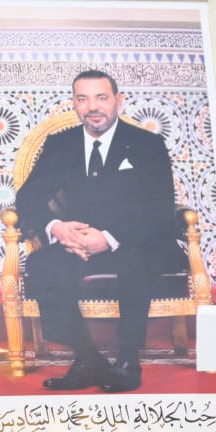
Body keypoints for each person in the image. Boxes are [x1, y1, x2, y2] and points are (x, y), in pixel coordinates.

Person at [15, 69, 185, 393]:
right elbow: (28, 198)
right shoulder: (60, 144)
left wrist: (108, 239)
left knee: (136, 262)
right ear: (74, 103)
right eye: (83, 99)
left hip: (137, 241)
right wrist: (58, 228)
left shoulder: (147, 144)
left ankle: (128, 360)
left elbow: (158, 208)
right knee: (43, 264)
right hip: (79, 244)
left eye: (101, 97)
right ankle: (87, 358)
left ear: (119, 100)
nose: (92, 107)